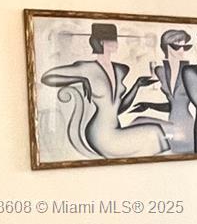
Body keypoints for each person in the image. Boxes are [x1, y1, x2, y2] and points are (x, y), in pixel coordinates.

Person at [41, 23, 168, 159]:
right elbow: (48, 77)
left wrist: (137, 86)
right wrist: (81, 79)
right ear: (101, 42)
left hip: (116, 128)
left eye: (116, 39)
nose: (116, 43)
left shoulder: (120, 69)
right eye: (112, 39)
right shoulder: (87, 68)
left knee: (157, 133)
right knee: (155, 133)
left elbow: (118, 109)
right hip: (100, 134)